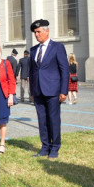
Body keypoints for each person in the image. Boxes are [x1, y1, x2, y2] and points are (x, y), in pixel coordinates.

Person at [29, 19, 69, 159]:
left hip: (53, 90)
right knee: (42, 120)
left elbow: (64, 70)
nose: (37, 35)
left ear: (47, 31)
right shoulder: (34, 50)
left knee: (53, 119)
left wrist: (64, 91)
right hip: (38, 91)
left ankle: (55, 147)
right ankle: (45, 146)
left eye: (39, 32)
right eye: (35, 32)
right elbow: (32, 72)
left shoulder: (57, 47)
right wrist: (32, 92)